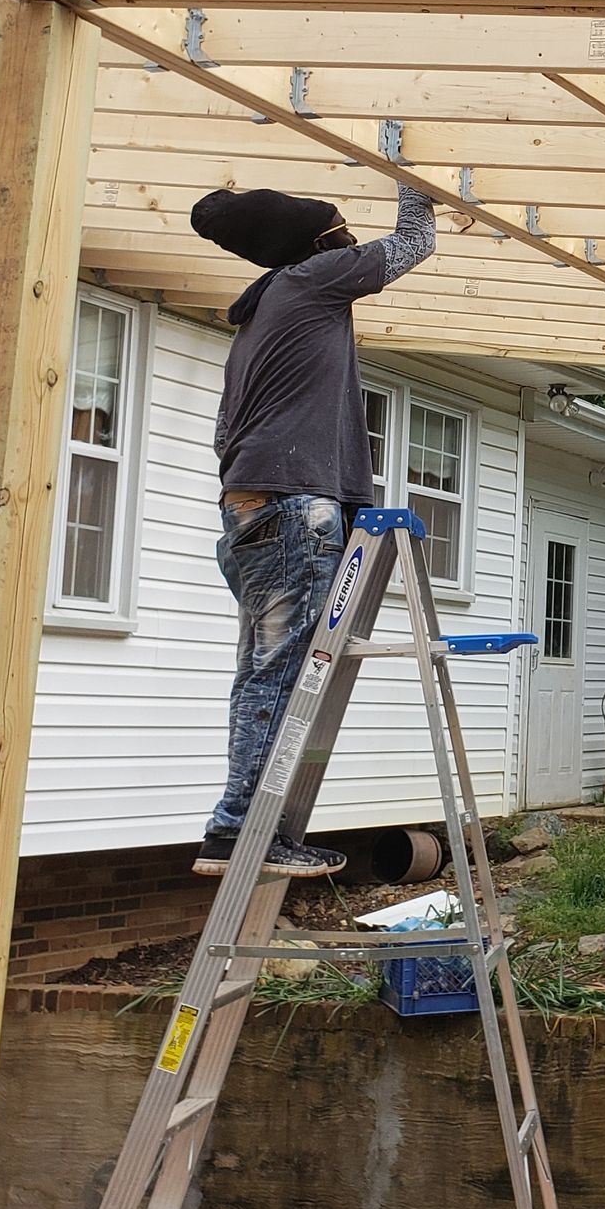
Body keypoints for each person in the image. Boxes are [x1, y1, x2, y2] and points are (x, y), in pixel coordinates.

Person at [187, 180, 436, 877]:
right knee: (276, 675)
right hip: (291, 512)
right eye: (340, 226)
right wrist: (413, 175)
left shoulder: (261, 313)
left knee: (266, 673)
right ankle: (241, 832)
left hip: (255, 512)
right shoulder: (313, 278)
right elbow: (415, 242)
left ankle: (243, 827)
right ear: (315, 242)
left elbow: (225, 436)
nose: (349, 237)